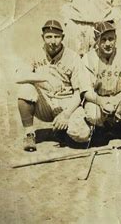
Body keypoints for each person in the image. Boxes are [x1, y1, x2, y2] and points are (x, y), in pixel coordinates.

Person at [16, 20, 88, 151]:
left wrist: (66, 115)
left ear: (63, 37)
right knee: (25, 89)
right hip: (44, 102)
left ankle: (62, 131)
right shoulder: (34, 52)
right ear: (42, 37)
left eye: (57, 36)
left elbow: (79, 93)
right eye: (49, 37)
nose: (53, 41)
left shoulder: (73, 57)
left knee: (82, 135)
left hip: (66, 102)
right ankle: (29, 134)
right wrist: (45, 78)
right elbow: (18, 76)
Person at [80, 22, 121, 147]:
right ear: (96, 40)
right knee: (93, 114)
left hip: (120, 96)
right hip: (99, 99)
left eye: (111, 39)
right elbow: (86, 91)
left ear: (116, 39)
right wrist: (102, 102)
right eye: (103, 40)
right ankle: (101, 129)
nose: (108, 44)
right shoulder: (88, 58)